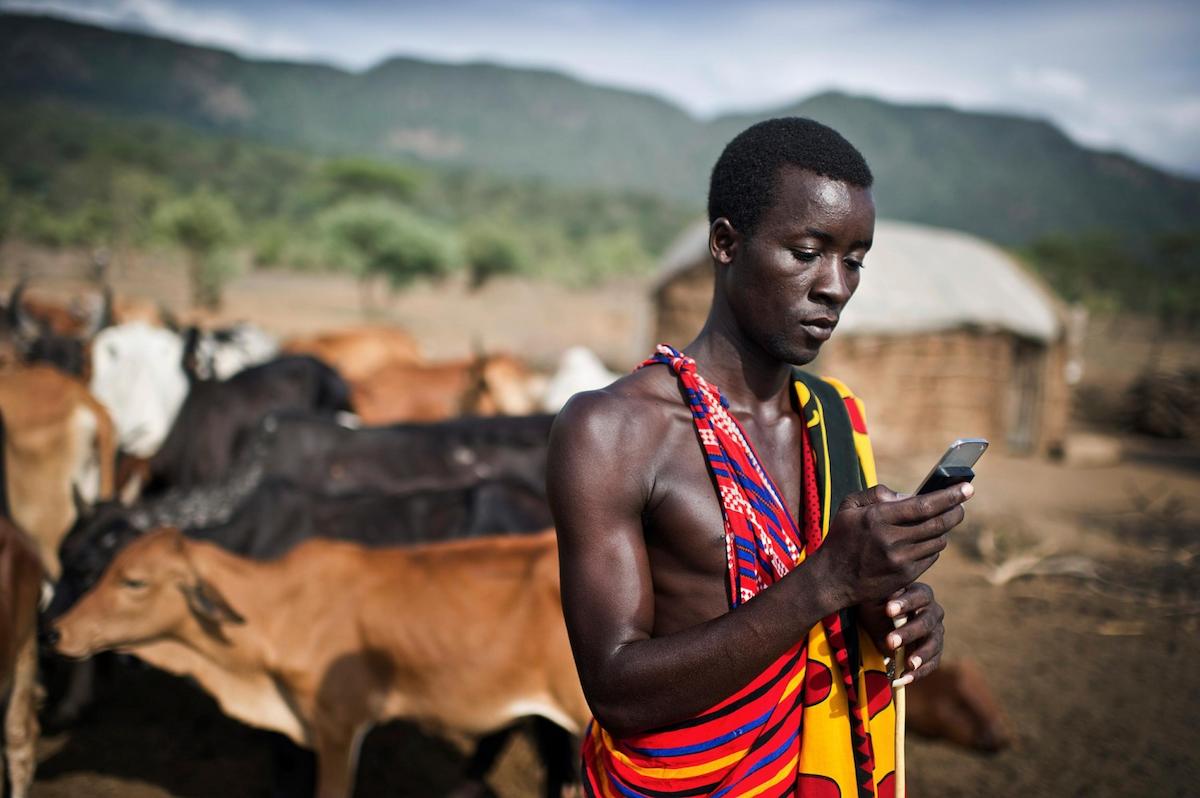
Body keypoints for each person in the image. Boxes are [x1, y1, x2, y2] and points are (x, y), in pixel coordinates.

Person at [547, 117, 973, 797]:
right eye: (807, 252)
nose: (835, 285)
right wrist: (829, 580)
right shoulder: (612, 430)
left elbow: (826, 618)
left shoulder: (834, 419)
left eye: (855, 259)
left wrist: (888, 611)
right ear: (726, 243)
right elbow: (617, 692)